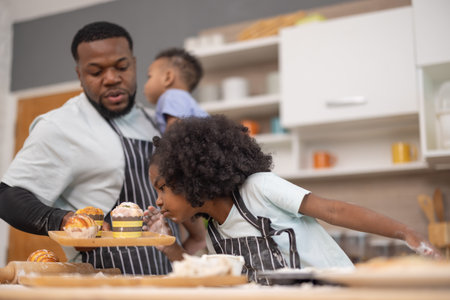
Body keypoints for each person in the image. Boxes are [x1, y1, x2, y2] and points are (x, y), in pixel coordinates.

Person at [0, 21, 205, 275]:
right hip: (102, 283)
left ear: (135, 64)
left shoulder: (155, 120)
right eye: (96, 72)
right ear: (79, 75)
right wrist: (63, 221)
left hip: (169, 280)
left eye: (122, 67)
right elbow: (7, 197)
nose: (111, 79)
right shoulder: (59, 126)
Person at [143, 115, 442, 283]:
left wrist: (406, 232)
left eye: (163, 188)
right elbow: (212, 280)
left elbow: (333, 210)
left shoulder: (258, 187)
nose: (157, 200)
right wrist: (170, 248)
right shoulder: (213, 228)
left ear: (192, 177)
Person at [143, 47, 208, 133]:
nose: (145, 84)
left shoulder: (172, 96)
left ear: (167, 78)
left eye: (149, 76)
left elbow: (175, 131)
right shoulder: (184, 99)